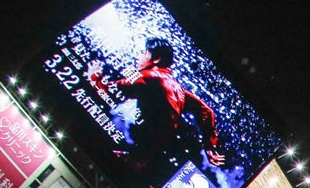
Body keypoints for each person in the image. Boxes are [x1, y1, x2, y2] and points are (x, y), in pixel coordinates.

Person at [87, 36, 225, 179]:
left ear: (157, 59)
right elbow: (206, 112)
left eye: (143, 52)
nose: (138, 56)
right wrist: (210, 145)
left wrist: (94, 78)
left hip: (144, 154)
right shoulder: (178, 88)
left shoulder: (148, 76)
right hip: (160, 154)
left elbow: (110, 90)